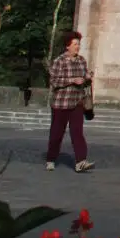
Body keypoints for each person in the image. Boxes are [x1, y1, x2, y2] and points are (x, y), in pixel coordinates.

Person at [46, 30, 94, 173]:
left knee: (77, 133)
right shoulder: (59, 61)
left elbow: (85, 76)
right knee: (56, 133)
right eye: (75, 44)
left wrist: (87, 77)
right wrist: (72, 80)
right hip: (61, 103)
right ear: (67, 46)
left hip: (77, 102)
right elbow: (54, 81)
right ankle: (51, 159)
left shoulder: (81, 60)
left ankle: (81, 161)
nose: (77, 47)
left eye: (78, 44)